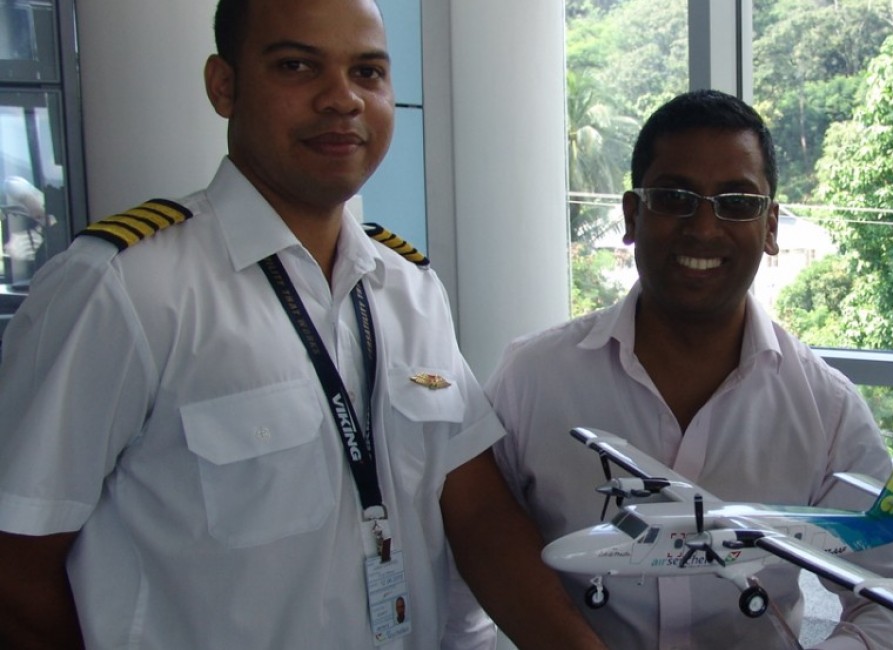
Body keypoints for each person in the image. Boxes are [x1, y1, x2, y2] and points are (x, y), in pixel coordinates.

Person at [0, 0, 605, 648]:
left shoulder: (410, 290)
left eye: (368, 73)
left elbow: (479, 514)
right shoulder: (126, 290)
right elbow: (16, 565)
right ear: (223, 85)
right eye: (297, 66)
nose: (342, 99)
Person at [445, 89, 893, 650]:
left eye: (737, 201)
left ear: (771, 226)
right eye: (676, 197)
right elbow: (474, 547)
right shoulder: (532, 378)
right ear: (633, 216)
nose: (704, 229)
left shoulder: (826, 406)